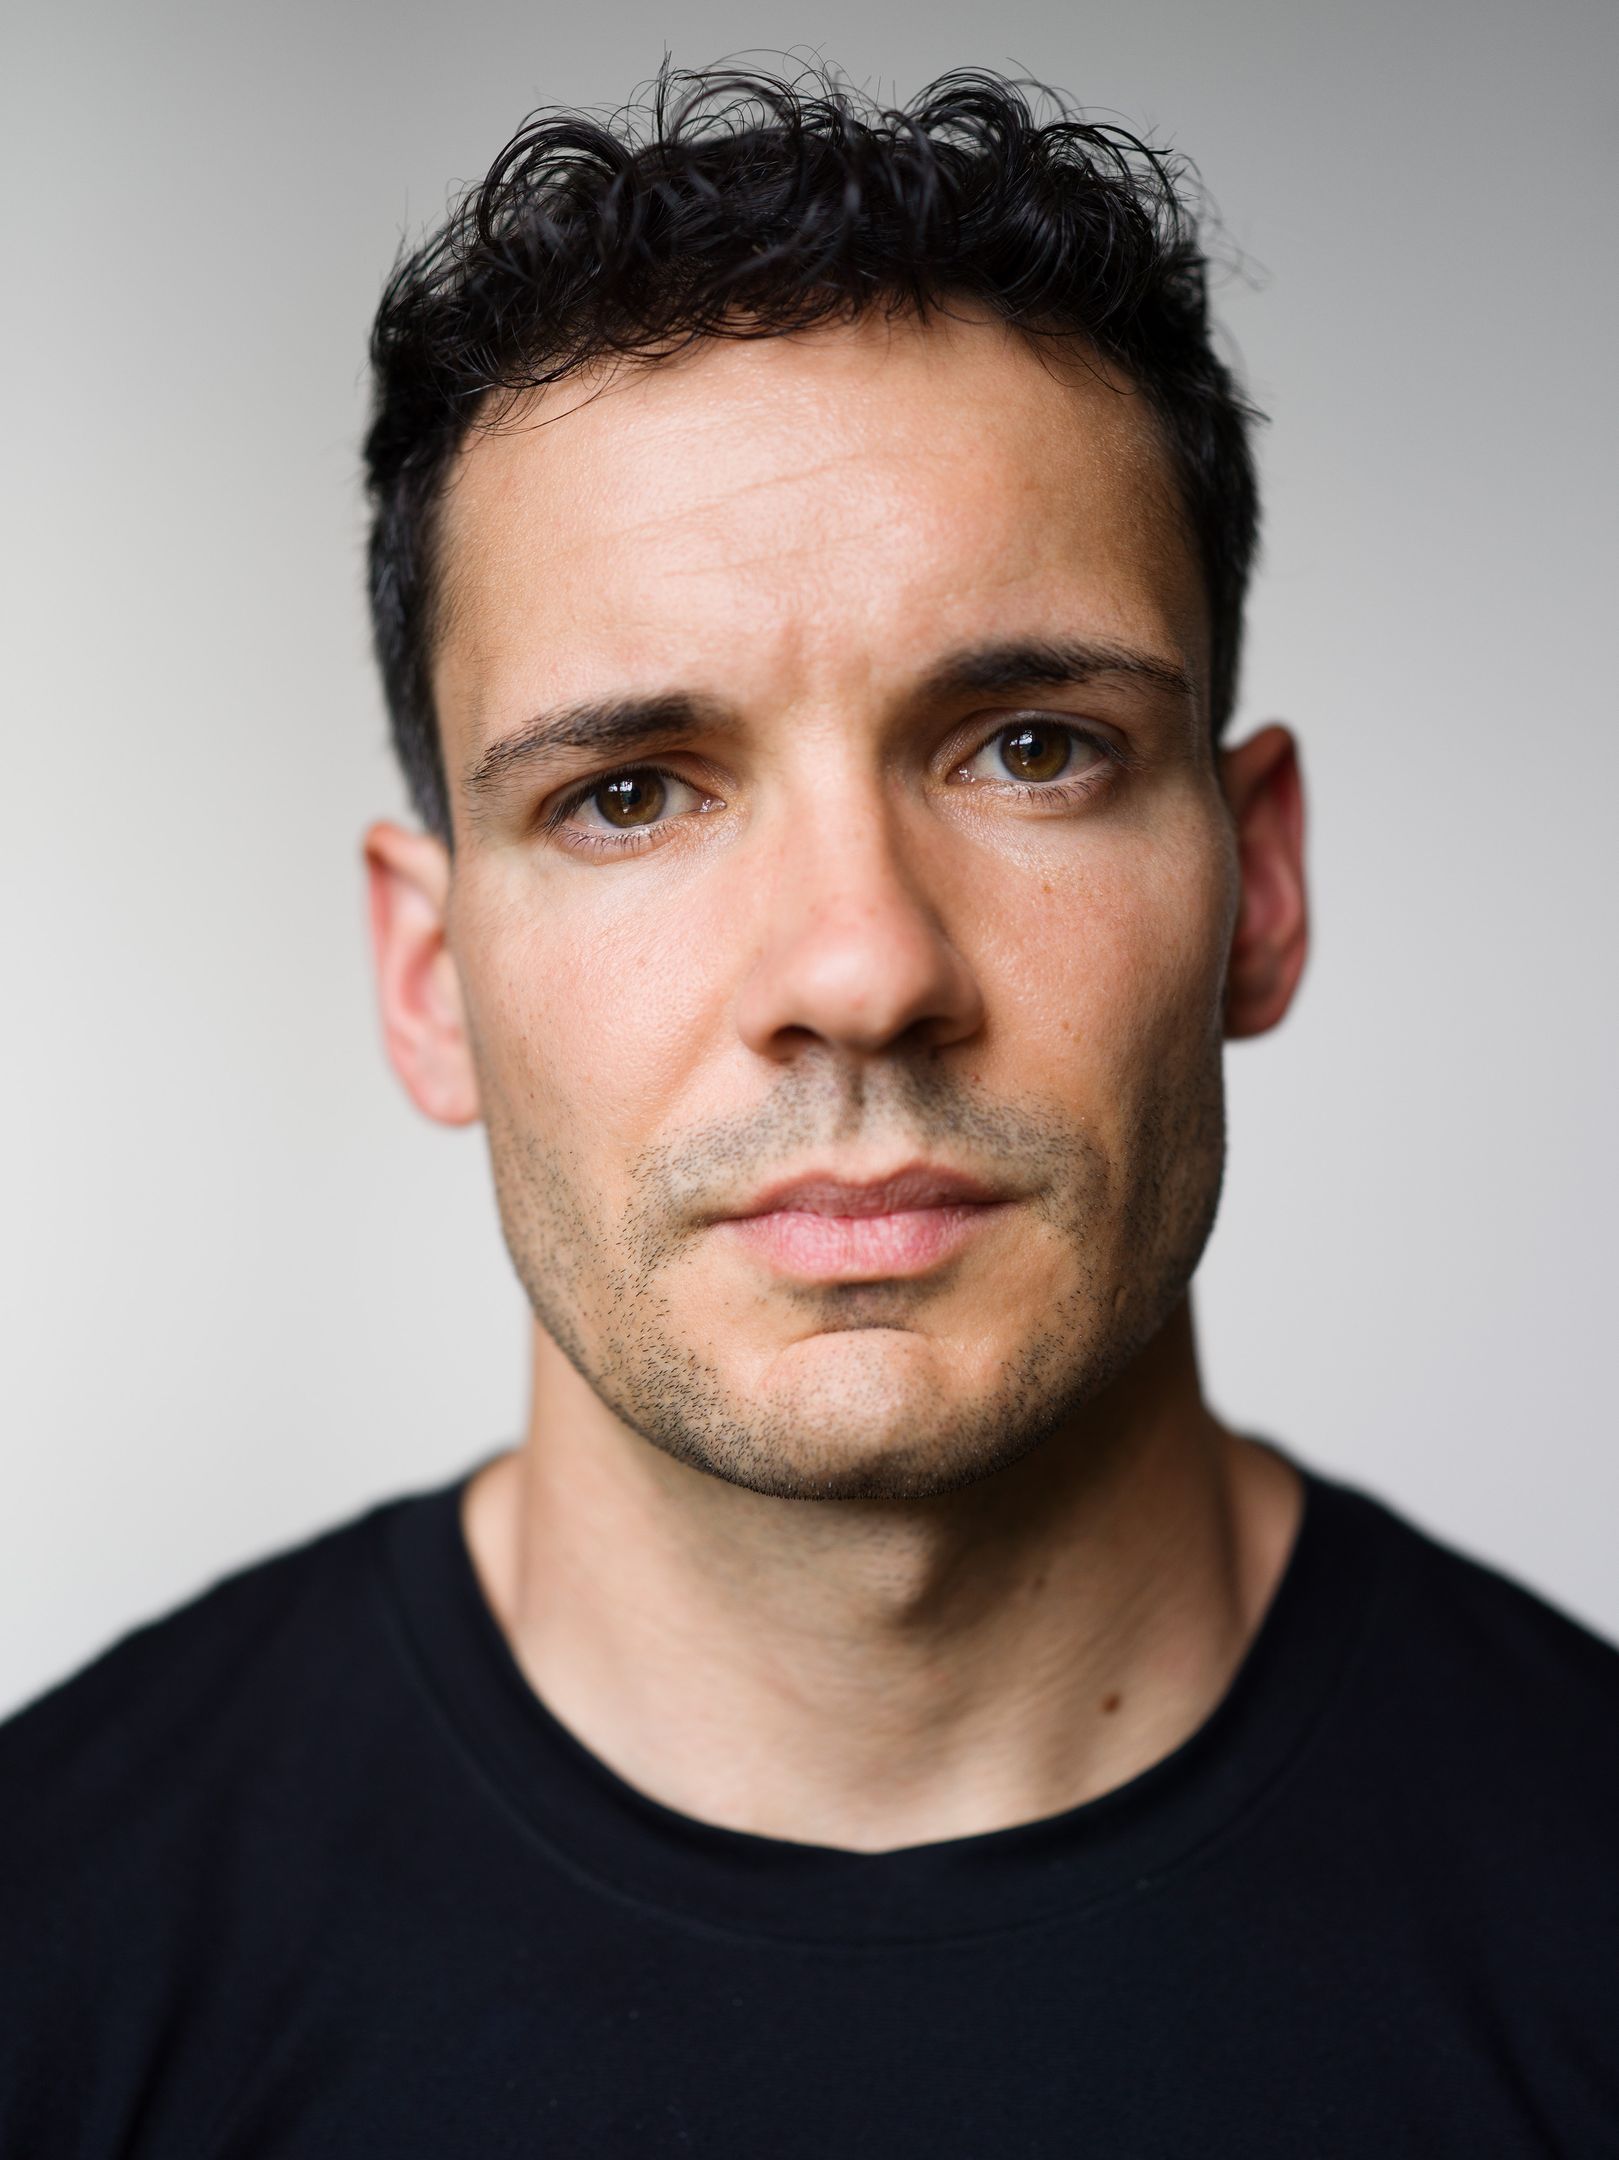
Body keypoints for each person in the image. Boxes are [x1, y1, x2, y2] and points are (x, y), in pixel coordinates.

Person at [3, 63, 1615, 2156]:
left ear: (1262, 886)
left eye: (1030, 748)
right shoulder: (55, 1964)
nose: (861, 968)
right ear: (430, 980)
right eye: (630, 794)